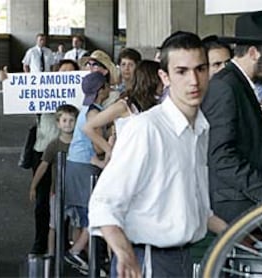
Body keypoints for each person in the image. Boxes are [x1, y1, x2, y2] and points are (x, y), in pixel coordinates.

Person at [88, 31, 227, 278]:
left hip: (182, 258)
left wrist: (240, 235)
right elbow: (103, 203)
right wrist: (125, 253)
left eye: (200, 69)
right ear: (164, 76)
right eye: (181, 71)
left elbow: (198, 211)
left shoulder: (201, 129)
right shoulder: (146, 128)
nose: (193, 81)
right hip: (148, 260)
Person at [201, 11, 262, 222]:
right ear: (253, 52)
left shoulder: (239, 83)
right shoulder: (226, 86)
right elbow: (221, 156)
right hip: (235, 209)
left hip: (246, 204)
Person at [64, 72, 111, 274]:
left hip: (75, 164)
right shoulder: (94, 114)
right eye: (107, 86)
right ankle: (75, 252)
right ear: (101, 90)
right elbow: (98, 148)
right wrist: (110, 147)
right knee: (94, 214)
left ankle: (92, 263)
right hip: (84, 166)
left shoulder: (88, 108)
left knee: (88, 215)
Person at [83, 60, 162, 167]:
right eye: (161, 78)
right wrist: (111, 151)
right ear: (152, 80)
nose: (164, 83)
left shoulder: (155, 103)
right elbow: (88, 127)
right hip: (127, 163)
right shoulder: (123, 105)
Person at [29, 104, 79, 255]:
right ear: (58, 123)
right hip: (57, 191)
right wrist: (33, 186)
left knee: (77, 223)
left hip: (75, 191)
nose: (68, 124)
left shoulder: (79, 144)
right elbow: (43, 166)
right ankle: (51, 254)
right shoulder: (53, 145)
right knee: (54, 224)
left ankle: (74, 254)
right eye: (64, 120)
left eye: (71, 120)